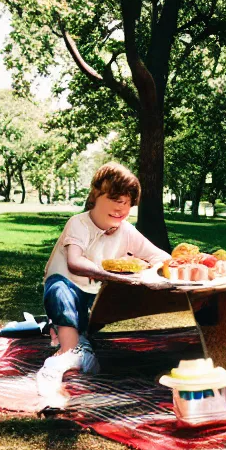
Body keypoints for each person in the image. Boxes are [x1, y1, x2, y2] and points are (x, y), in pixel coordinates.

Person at [37, 162, 170, 395]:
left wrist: (163, 265)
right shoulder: (79, 223)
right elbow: (75, 262)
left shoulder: (126, 230)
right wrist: (113, 277)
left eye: (127, 204)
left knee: (91, 315)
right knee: (59, 291)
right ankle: (70, 352)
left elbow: (159, 256)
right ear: (96, 196)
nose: (121, 209)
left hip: (96, 299)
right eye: (115, 201)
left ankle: (76, 345)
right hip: (67, 288)